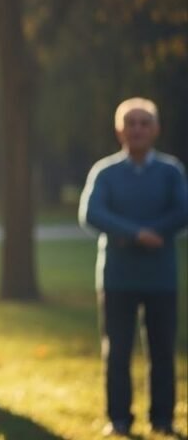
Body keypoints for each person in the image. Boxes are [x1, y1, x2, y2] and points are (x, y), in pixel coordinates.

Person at [79, 97, 187, 437]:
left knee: (162, 351)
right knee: (117, 351)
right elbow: (91, 213)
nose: (137, 129)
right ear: (119, 130)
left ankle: (163, 419)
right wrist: (136, 233)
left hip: (161, 279)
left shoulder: (171, 171)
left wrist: (156, 232)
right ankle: (119, 419)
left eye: (144, 123)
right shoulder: (105, 172)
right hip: (117, 278)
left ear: (155, 129)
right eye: (131, 123)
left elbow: (183, 210)